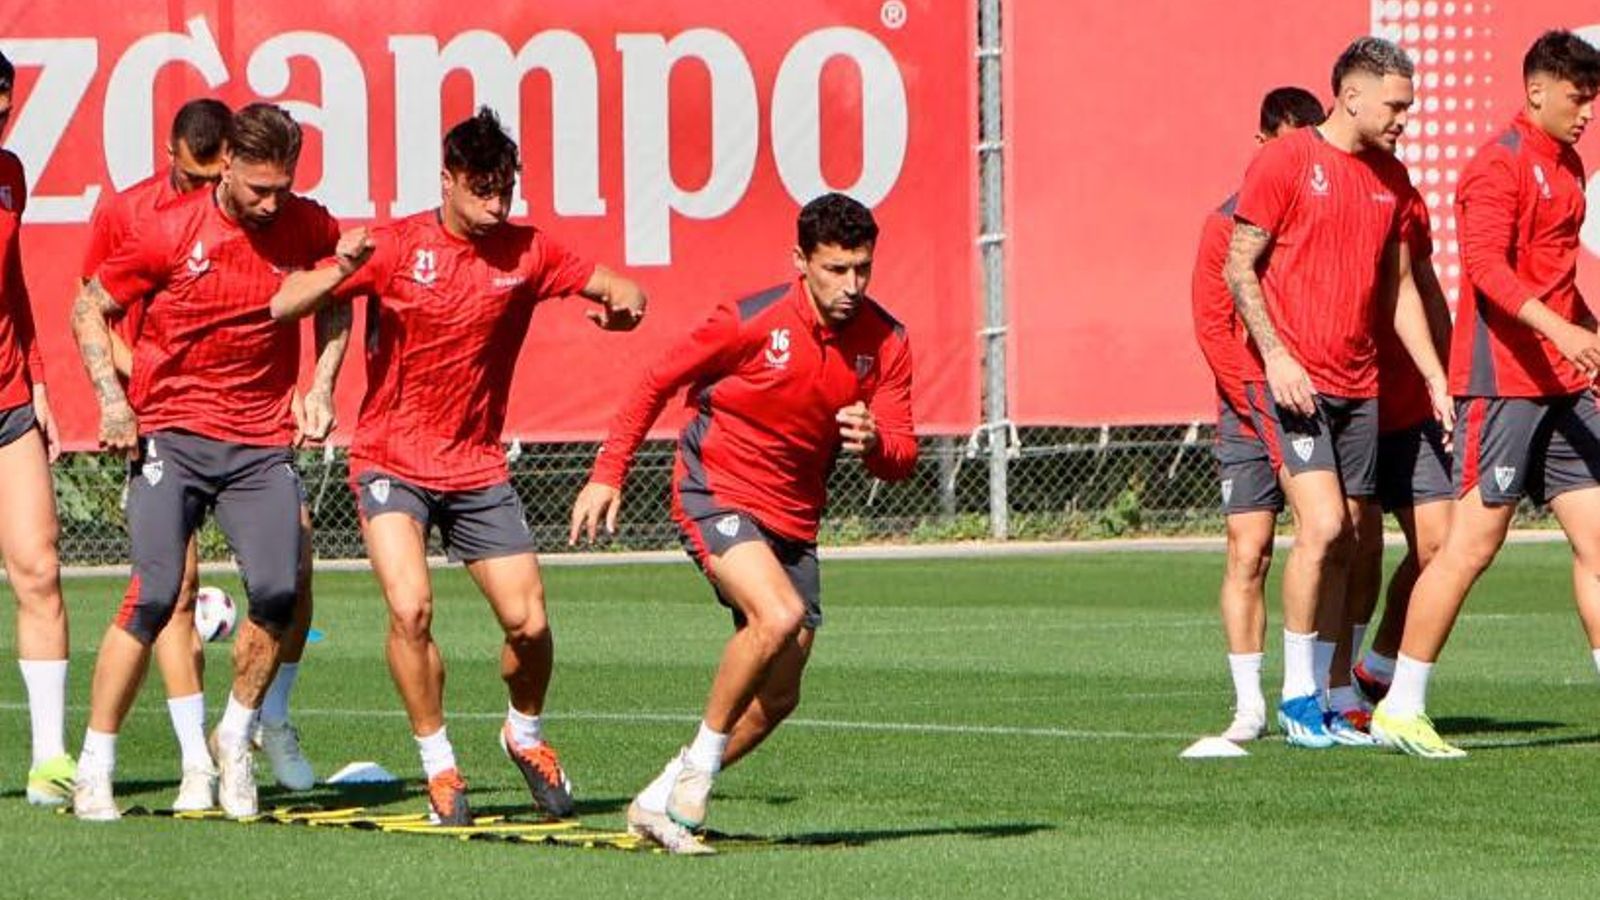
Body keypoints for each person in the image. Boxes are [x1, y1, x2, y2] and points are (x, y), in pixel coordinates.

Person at [268, 107, 646, 825]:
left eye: (506, 190)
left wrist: (627, 308)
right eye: (482, 191)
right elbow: (288, 301)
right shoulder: (397, 245)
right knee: (410, 608)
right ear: (447, 182)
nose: (497, 205)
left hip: (476, 466)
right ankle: (440, 765)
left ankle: (524, 736)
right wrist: (320, 373)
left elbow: (625, 289)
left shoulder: (528, 251)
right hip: (390, 457)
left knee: (529, 624)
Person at [571, 192, 917, 854]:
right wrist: (609, 471)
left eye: (862, 269)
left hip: (795, 518)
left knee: (780, 696)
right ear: (800, 261)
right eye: (835, 269)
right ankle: (696, 780)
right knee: (778, 615)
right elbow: (654, 380)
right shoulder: (750, 320)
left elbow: (901, 456)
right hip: (715, 488)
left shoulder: (888, 341)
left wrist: (875, 442)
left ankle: (658, 797)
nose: (851, 286)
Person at [68, 103, 350, 819]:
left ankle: (237, 736)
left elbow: (340, 293)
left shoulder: (306, 223)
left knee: (280, 591)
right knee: (155, 593)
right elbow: (88, 308)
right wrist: (112, 401)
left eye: (283, 187)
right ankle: (95, 765)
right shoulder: (168, 229)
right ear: (226, 165)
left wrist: (321, 384)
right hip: (172, 434)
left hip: (258, 443)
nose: (272, 203)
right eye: (258, 188)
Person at [1374, 31, 1600, 758]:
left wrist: (1587, 333)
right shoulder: (1496, 165)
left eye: (1593, 101)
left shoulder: (1567, 166)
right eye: (1578, 98)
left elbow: (1557, 283)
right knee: (1470, 546)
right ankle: (1399, 706)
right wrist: (1560, 331)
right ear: (1537, 90)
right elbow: (1487, 271)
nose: (1587, 113)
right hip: (1501, 384)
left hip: (1562, 385)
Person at [1224, 36, 1450, 748]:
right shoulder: (1287, 161)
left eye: (1409, 107)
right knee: (1321, 528)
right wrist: (1276, 356)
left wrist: (1435, 376)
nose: (1404, 120)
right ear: (1350, 96)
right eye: (1395, 106)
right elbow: (1238, 266)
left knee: (1352, 540)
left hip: (1362, 385)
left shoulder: (1392, 179)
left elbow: (1401, 290)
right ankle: (1297, 698)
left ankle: (1330, 691)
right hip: (1296, 383)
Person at [1190, 86, 1326, 743]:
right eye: (1286, 144)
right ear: (1262, 143)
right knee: (1249, 551)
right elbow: (1213, 329)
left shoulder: (1318, 216)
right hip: (1252, 406)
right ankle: (1249, 706)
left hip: (1309, 402)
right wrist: (1257, 400)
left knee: (1329, 535)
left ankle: (1324, 688)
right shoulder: (1225, 224)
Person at [0, 49, 74, 807]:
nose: (0, 120)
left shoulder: (9, 173)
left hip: (9, 400)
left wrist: (40, 379)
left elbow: (12, 283)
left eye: (5, 108)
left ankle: (50, 761)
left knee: (40, 569)